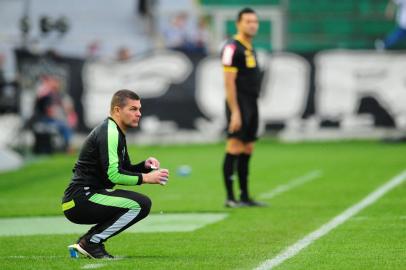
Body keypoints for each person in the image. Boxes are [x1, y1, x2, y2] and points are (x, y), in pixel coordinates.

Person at [61, 89, 169, 259]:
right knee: (140, 204)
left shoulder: (115, 130)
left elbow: (124, 168)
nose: (139, 114)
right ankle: (91, 242)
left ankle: (88, 241)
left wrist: (144, 167)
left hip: (86, 196)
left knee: (139, 203)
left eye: (139, 109)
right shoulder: (110, 132)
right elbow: (114, 175)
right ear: (118, 110)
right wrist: (146, 178)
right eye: (133, 109)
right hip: (81, 199)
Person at [221, 8, 265, 208]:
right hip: (238, 104)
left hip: (252, 103)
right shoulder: (231, 47)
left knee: (248, 147)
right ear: (238, 23)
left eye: (255, 21)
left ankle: (245, 196)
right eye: (248, 21)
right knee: (234, 146)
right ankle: (231, 198)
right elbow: (229, 83)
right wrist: (235, 112)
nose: (252, 24)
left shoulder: (250, 47)